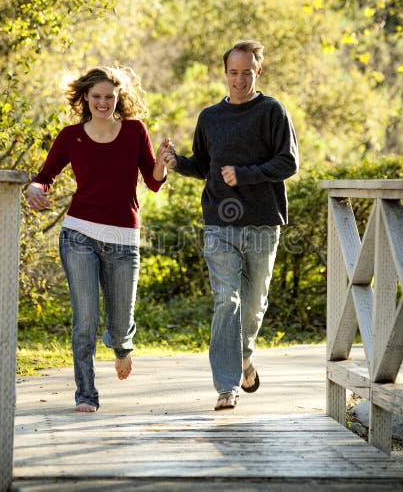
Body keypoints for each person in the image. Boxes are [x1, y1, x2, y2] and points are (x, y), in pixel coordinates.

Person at [26, 66, 171, 413]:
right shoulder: (70, 136)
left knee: (121, 322)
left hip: (123, 237)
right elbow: (44, 176)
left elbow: (152, 181)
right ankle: (86, 393)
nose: (103, 102)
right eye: (96, 97)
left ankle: (121, 345)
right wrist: (35, 187)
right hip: (79, 234)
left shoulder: (135, 131)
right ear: (85, 99)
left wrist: (163, 163)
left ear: (119, 97)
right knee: (86, 317)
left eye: (109, 96)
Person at [165, 40, 299, 411]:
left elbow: (288, 163)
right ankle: (227, 386)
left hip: (262, 222)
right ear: (225, 73)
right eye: (233, 72)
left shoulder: (273, 111)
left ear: (258, 71)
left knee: (253, 307)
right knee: (228, 299)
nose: (239, 79)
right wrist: (177, 162)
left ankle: (244, 360)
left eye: (247, 72)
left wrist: (245, 175)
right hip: (218, 223)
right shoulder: (210, 117)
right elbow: (204, 166)